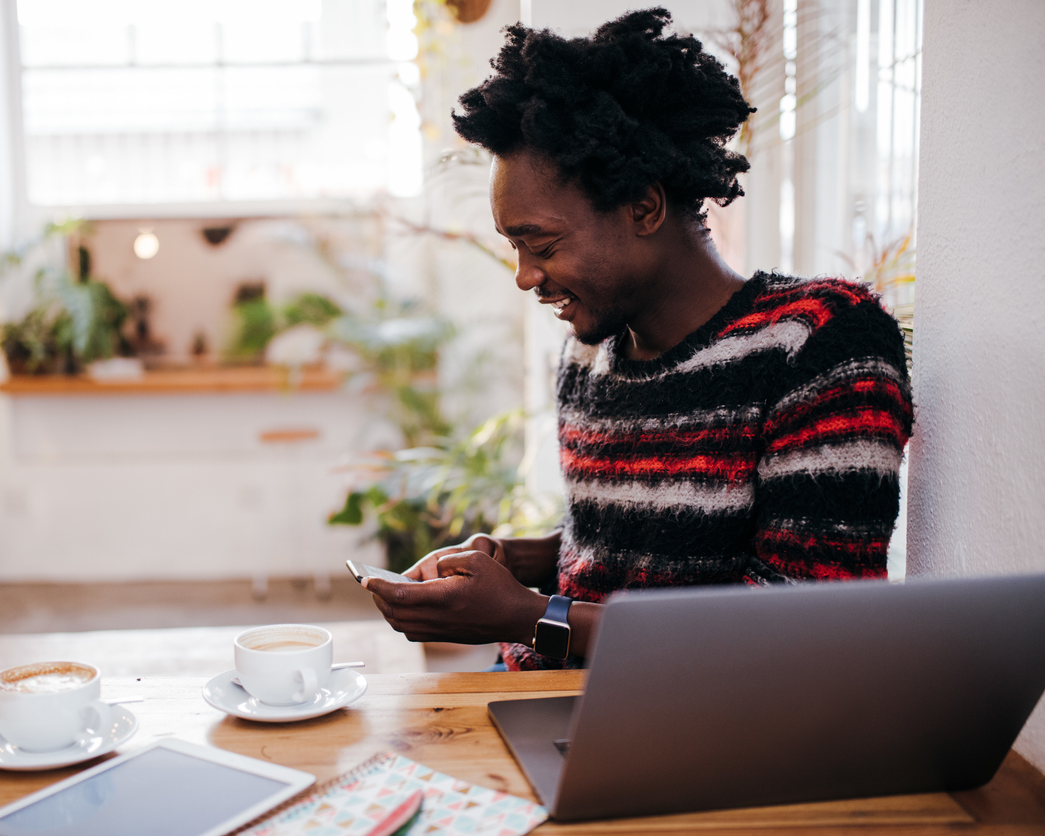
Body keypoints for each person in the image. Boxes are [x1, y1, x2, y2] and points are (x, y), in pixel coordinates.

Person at [364, 8, 913, 671]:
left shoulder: (819, 344)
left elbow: (807, 628)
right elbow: (632, 549)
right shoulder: (591, 351)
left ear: (645, 208)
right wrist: (512, 562)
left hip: (681, 730)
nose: (524, 276)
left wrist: (525, 615)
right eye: (514, 249)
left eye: (540, 245)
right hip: (542, 701)